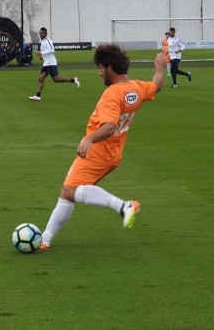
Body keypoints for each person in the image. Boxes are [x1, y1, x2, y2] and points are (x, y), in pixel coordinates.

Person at [39, 45, 167, 250]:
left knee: (70, 190)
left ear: (109, 67)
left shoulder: (112, 93)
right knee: (67, 192)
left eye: (100, 68)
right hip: (112, 153)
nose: (99, 73)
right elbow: (157, 86)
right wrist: (160, 67)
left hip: (97, 151)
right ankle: (45, 240)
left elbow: (109, 126)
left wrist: (89, 140)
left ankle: (123, 206)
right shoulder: (135, 88)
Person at [29, 27, 80, 101]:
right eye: (40, 33)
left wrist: (42, 53)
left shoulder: (47, 40)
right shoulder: (42, 42)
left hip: (51, 63)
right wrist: (41, 57)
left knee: (56, 79)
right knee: (40, 78)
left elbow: (52, 50)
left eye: (43, 33)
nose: (41, 34)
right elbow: (45, 53)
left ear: (46, 34)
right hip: (46, 63)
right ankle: (37, 96)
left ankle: (74, 80)